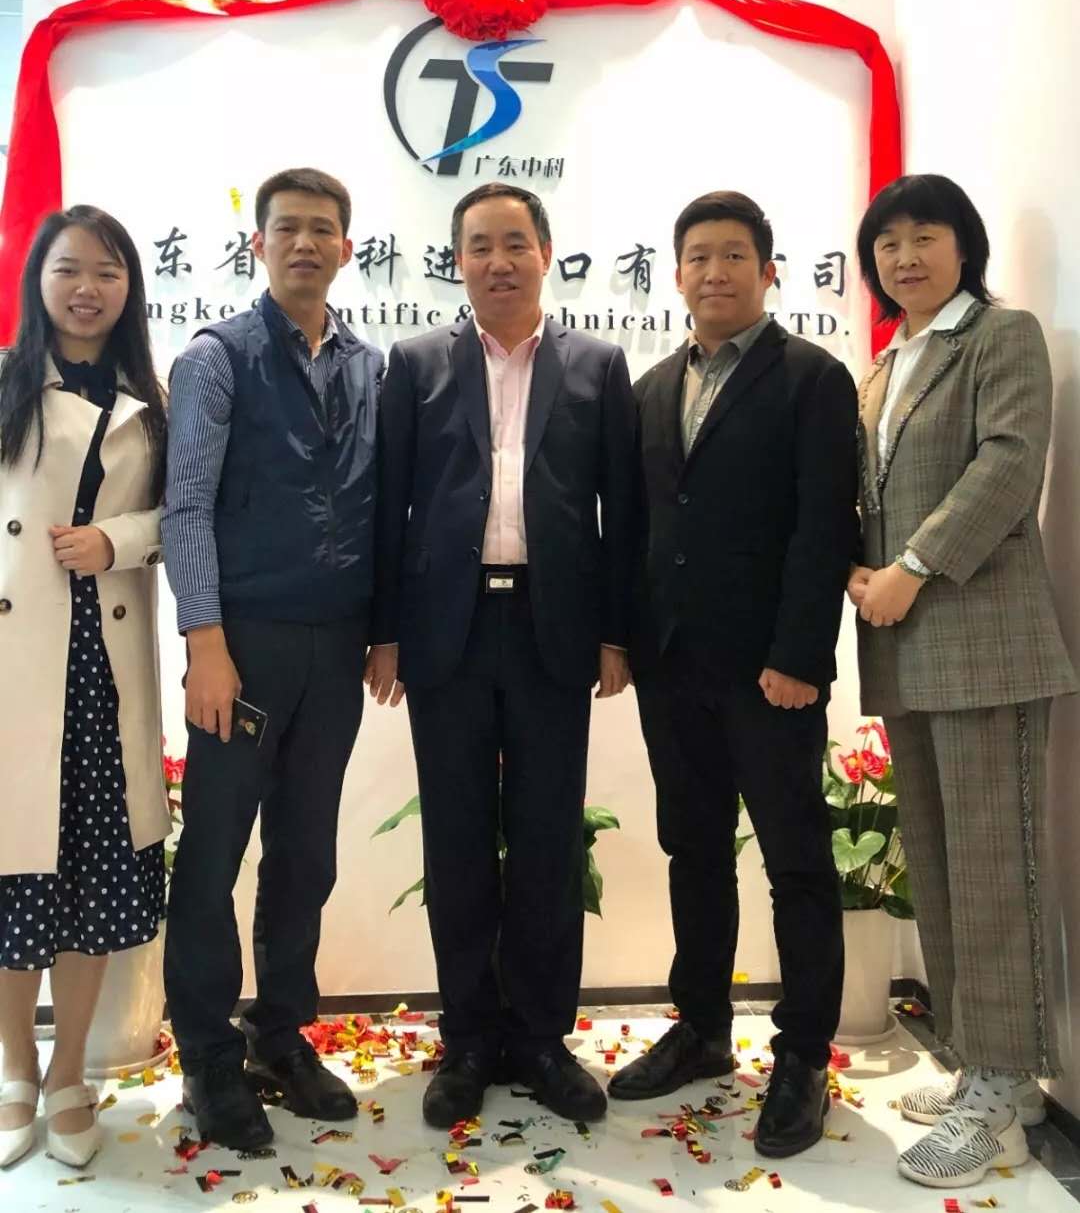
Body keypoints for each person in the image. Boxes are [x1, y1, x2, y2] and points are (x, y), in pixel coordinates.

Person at [367, 182, 636, 1128]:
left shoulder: (598, 364)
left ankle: (541, 1035)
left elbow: (621, 511)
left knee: (549, 839)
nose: (498, 261)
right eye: (478, 245)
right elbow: (388, 505)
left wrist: (615, 632)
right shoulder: (415, 363)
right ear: (458, 261)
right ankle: (470, 1037)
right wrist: (385, 633)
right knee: (456, 841)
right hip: (447, 631)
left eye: (514, 242)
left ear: (546, 252)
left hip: (552, 629)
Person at [612, 191, 858, 1160]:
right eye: (699, 257)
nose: (715, 272)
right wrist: (622, 639)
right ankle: (703, 1026)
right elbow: (636, 528)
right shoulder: (649, 387)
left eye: (734, 255)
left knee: (796, 859)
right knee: (694, 849)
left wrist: (800, 654)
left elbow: (823, 525)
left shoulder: (812, 379)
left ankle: (803, 1054)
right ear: (677, 274)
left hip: (770, 673)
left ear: (768, 270)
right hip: (673, 667)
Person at [847, 173, 1076, 1189]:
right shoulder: (885, 363)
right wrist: (857, 568)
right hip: (905, 648)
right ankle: (990, 1071)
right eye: (887, 242)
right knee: (938, 868)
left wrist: (913, 565)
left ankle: (1004, 1099)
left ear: (965, 245)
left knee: (994, 868)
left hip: (985, 643)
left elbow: (1009, 463)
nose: (905, 257)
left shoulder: (1000, 336)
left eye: (925, 236)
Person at [162, 168, 382, 1151]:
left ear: (346, 248)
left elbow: (381, 502)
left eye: (322, 229)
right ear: (257, 245)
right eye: (286, 228)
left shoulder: (368, 365)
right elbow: (185, 507)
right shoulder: (218, 358)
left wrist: (382, 630)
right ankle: (209, 1056)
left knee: (306, 851)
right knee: (214, 854)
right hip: (241, 645)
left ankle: (279, 1032)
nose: (304, 243)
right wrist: (205, 642)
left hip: (335, 645)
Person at [0, 207, 170, 1170]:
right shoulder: (5, 381)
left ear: (129, 288)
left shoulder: (154, 396)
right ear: (40, 279)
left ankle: (70, 1070)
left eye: (107, 271)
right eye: (68, 268)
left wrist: (120, 540)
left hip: (104, 666)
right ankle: (15, 1065)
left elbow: (183, 515)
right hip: (14, 665)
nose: (87, 288)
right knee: (14, 872)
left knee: (96, 878)